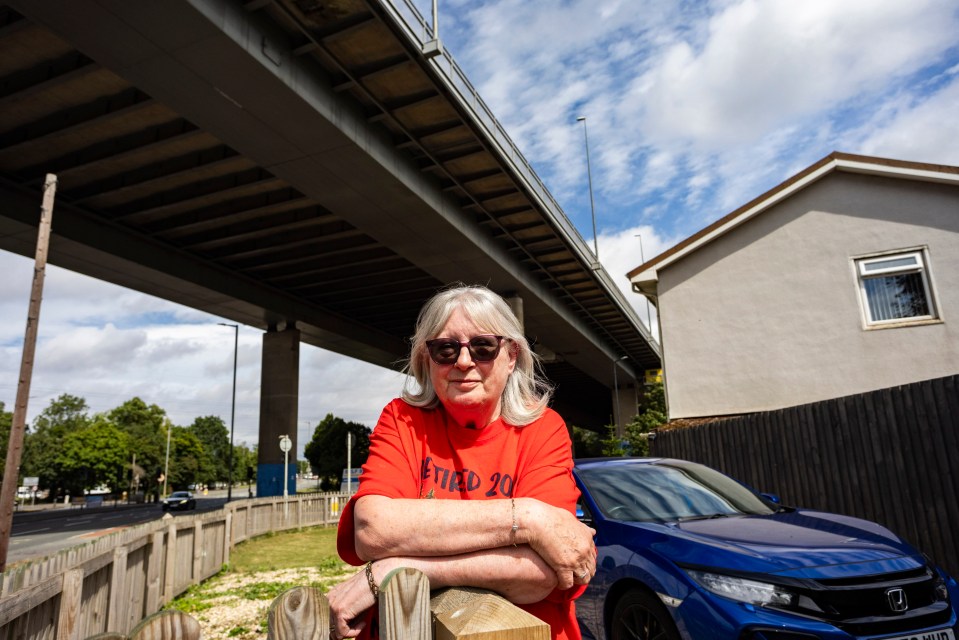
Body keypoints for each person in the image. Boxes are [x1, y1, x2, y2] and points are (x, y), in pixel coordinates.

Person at [329, 284, 596, 640]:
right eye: (445, 349)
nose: (464, 361)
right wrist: (529, 519)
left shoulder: (543, 429)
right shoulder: (402, 420)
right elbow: (373, 531)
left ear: (511, 356)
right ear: (427, 358)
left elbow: (543, 572)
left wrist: (401, 565)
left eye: (484, 347)